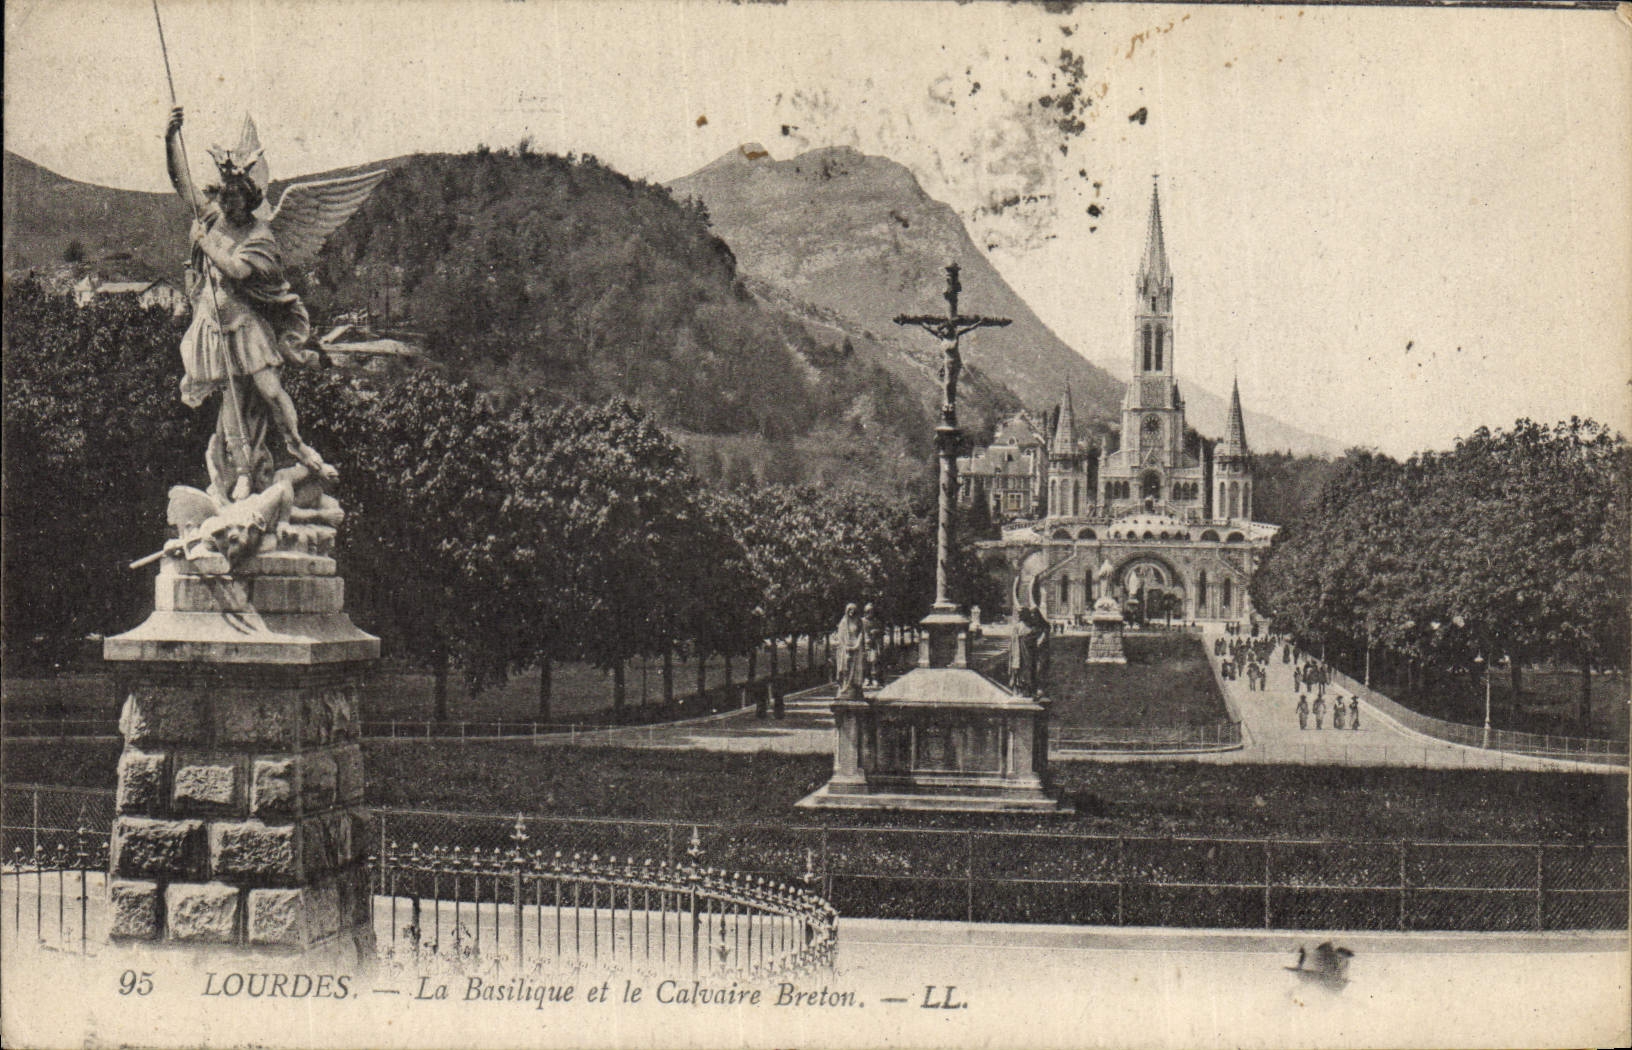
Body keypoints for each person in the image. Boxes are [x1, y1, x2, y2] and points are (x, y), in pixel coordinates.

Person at [834, 604, 866, 700]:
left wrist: (857, 645)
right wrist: (845, 647)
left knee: (856, 669)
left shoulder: (859, 621)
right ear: (847, 611)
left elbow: (861, 634)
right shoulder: (843, 622)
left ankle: (855, 689)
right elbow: (840, 637)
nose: (851, 612)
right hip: (845, 648)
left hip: (856, 648)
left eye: (853, 610)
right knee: (845, 668)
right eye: (849, 610)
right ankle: (844, 688)